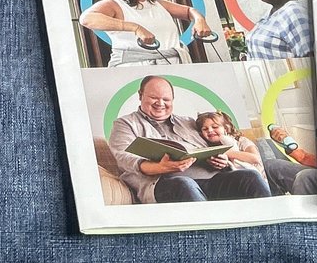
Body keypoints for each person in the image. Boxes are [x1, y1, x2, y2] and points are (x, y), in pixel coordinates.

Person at [105, 76, 270, 205]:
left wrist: (221, 160)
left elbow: (210, 147)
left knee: (250, 177)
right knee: (185, 184)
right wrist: (159, 167)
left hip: (213, 179)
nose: (160, 103)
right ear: (140, 95)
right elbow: (124, 158)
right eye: (154, 97)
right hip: (166, 184)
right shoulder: (125, 124)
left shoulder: (189, 122)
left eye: (166, 99)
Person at [79, 0, 215, 67]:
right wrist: (135, 28)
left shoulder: (158, 4)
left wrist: (200, 20)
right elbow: (86, 19)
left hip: (175, 65)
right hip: (135, 68)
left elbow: (189, 11)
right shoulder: (114, 4)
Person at [195, 108, 317, 198]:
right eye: (205, 129)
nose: (210, 130)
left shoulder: (241, 141)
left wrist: (227, 152)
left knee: (274, 165)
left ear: (226, 128)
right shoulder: (207, 149)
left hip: (262, 178)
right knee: (272, 166)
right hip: (246, 187)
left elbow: (255, 158)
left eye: (215, 127)